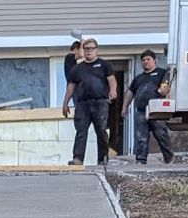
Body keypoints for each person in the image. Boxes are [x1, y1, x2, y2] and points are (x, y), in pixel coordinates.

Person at [60, 38, 116, 166]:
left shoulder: (104, 65)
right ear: (83, 51)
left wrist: (113, 91)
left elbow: (112, 79)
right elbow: (71, 86)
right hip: (83, 105)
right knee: (81, 131)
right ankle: (78, 159)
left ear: (97, 50)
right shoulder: (77, 68)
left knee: (101, 131)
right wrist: (65, 103)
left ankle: (103, 159)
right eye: (86, 49)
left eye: (91, 49)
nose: (89, 51)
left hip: (100, 103)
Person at [128, 50, 173, 164]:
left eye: (148, 59)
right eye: (143, 60)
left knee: (161, 135)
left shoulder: (162, 73)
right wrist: (124, 108)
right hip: (141, 111)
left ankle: (169, 158)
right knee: (141, 137)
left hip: (157, 111)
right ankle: (141, 160)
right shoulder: (138, 78)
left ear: (154, 61)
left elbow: (165, 87)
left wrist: (162, 90)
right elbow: (130, 93)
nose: (145, 62)